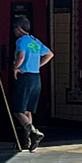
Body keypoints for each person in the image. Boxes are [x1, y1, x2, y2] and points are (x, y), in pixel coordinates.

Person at [10, 18, 53, 150]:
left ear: (19, 28)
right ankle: (28, 141)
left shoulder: (21, 41)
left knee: (18, 109)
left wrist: (15, 67)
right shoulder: (35, 41)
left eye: (14, 28)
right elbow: (50, 54)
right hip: (36, 77)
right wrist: (38, 65)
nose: (13, 31)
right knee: (28, 110)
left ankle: (33, 131)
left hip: (25, 77)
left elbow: (21, 56)